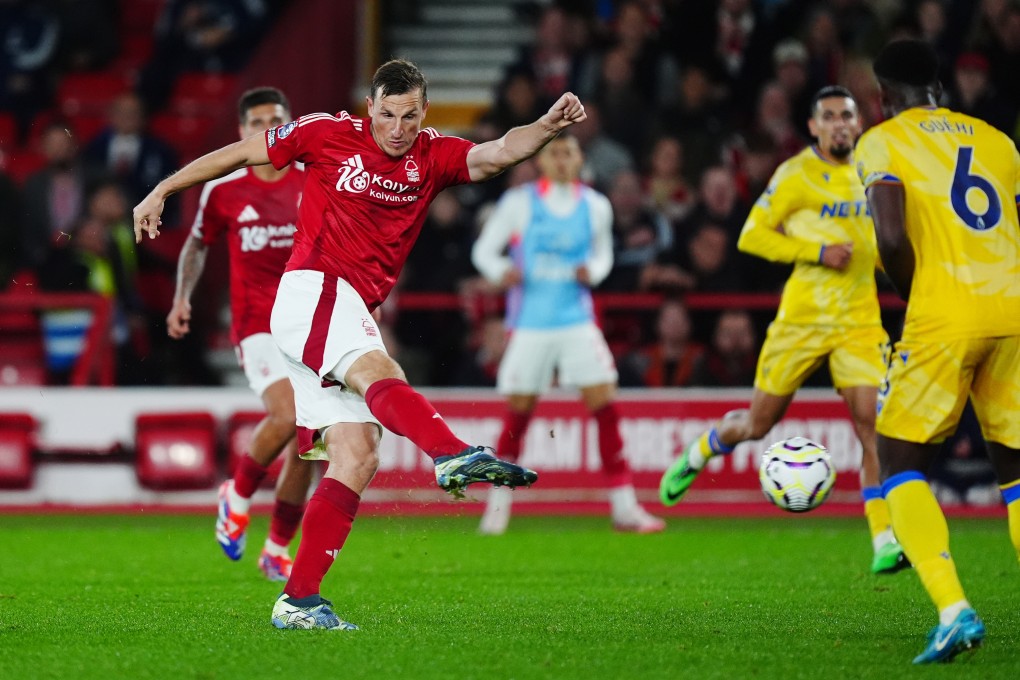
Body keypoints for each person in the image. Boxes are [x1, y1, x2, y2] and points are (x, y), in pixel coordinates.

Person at [133, 59, 586, 630]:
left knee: (358, 454)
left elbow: (497, 152)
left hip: (347, 306)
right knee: (379, 369)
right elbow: (239, 154)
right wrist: (163, 189)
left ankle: (297, 600)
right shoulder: (326, 133)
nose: (397, 128)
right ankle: (449, 452)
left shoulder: (434, 155)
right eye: (388, 114)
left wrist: (546, 127)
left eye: (410, 116)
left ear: (425, 114)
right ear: (370, 106)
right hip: (314, 289)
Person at [659, 86, 907, 577]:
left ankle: (884, 538)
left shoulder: (873, 171)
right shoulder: (795, 174)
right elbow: (752, 235)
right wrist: (815, 252)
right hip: (801, 321)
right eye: (829, 116)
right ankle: (701, 449)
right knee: (758, 424)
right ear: (814, 127)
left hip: (859, 320)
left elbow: (882, 239)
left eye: (847, 116)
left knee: (871, 427)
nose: (839, 123)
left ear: (859, 124)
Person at [855, 39, 1020, 664]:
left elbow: (891, 235)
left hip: (944, 312)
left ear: (882, 95)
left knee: (896, 456)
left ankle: (954, 611)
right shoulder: (999, 141)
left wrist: (911, 290)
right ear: (939, 89)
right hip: (1014, 307)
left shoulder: (882, 141)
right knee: (1017, 471)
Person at [470, 133, 666, 536]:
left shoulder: (595, 206)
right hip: (530, 324)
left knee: (605, 405)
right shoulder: (520, 203)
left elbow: (603, 254)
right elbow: (483, 252)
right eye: (554, 153)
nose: (561, 159)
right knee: (518, 414)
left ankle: (625, 508)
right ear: (541, 162)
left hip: (576, 321)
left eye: (568, 153)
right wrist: (500, 272)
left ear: (580, 161)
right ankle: (497, 509)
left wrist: (592, 273)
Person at [166, 87, 314, 583]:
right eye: (257, 122)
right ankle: (239, 492)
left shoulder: (314, 181)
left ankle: (276, 548)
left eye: (276, 118)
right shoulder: (224, 188)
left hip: (312, 324)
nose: (267, 128)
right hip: (258, 326)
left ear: (291, 123)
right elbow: (196, 245)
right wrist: (182, 297)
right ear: (241, 132)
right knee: (290, 414)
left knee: (311, 442)